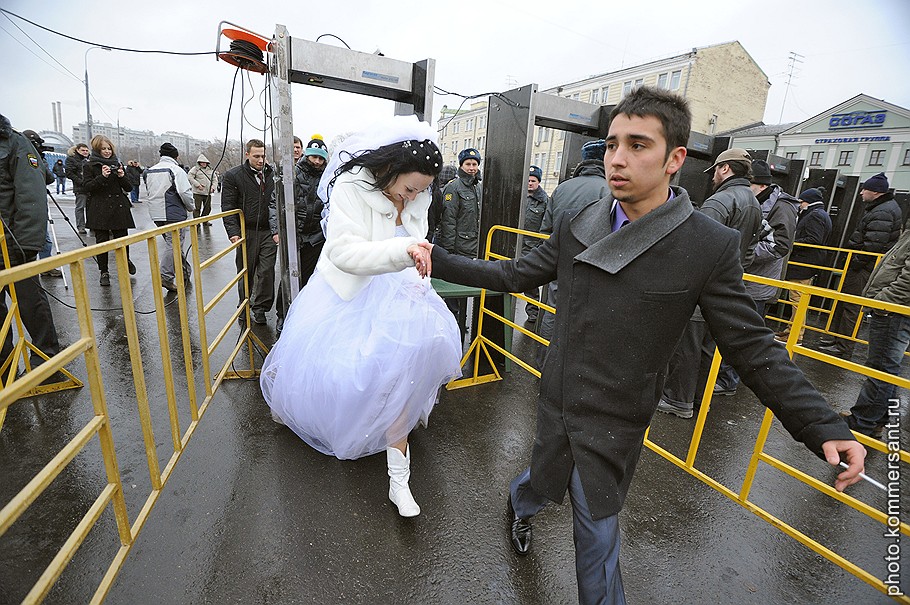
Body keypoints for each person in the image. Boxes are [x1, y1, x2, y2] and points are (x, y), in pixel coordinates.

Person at [415, 87, 864, 605]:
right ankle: (520, 504)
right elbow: (514, 273)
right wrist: (439, 259)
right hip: (560, 396)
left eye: (637, 145)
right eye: (611, 145)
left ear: (675, 159)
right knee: (541, 480)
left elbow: (753, 346)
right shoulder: (577, 224)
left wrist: (822, 423)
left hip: (618, 415)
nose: (618, 159)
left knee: (596, 533)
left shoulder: (707, 245)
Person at [260, 116, 462, 518]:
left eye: (421, 191)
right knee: (336, 372)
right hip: (349, 292)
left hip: (403, 295)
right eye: (408, 188)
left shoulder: (419, 196)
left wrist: (417, 268)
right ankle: (299, 408)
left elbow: (418, 240)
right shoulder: (352, 187)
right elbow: (342, 252)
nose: (412, 198)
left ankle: (398, 480)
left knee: (403, 375)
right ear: (391, 170)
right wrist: (401, 252)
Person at [657, 148, 761, 416]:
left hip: (700, 289)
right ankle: (698, 398)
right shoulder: (752, 201)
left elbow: (697, 247)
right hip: (724, 286)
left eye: (715, 169)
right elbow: (749, 249)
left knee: (687, 347)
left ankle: (678, 400)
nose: (713, 176)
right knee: (706, 348)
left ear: (725, 169)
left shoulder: (720, 201)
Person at [536, 139, 609, 357]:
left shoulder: (561, 188)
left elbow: (545, 229)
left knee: (552, 310)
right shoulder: (609, 190)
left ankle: (544, 359)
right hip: (592, 264)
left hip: (558, 260)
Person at [0, 114, 62, 368]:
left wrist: (25, 245)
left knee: (29, 300)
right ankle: (5, 361)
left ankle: (45, 356)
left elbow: (32, 195)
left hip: (11, 241)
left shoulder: (14, 143)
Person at [840, 221, 910, 437]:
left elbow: (907, 279)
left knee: (881, 367)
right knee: (887, 366)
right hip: (894, 309)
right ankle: (877, 418)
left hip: (893, 310)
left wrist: (882, 300)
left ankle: (864, 421)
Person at [819, 172, 901, 357]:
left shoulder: (883, 211)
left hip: (863, 268)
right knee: (845, 303)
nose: (861, 192)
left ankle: (843, 346)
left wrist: (855, 263)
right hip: (862, 266)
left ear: (876, 192)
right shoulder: (882, 209)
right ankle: (837, 338)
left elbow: (873, 245)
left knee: (851, 305)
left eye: (865, 189)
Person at [221, 139, 278, 326]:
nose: (261, 160)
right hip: (247, 231)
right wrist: (233, 232)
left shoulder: (272, 174)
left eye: (263, 156)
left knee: (267, 270)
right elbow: (228, 206)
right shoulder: (234, 176)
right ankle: (244, 304)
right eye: (256, 156)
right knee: (247, 270)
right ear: (247, 154)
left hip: (268, 230)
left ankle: (260, 308)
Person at [276, 135, 328, 335]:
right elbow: (276, 202)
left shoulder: (327, 178)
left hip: (316, 237)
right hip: (294, 234)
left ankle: (303, 316)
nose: (316, 161)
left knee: (311, 279)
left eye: (320, 158)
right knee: (288, 277)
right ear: (307, 155)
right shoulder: (293, 174)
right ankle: (282, 315)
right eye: (314, 156)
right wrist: (277, 230)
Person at [774, 188, 833, 344]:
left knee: (797, 300)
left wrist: (791, 244)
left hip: (804, 263)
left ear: (807, 201)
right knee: (798, 300)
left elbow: (814, 239)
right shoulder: (820, 214)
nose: (799, 205)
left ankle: (795, 335)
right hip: (808, 263)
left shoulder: (815, 215)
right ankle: (791, 330)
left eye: (800, 202)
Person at [438, 148, 483, 336]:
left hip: (474, 246)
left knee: (467, 291)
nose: (472, 168)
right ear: (461, 165)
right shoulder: (453, 187)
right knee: (454, 292)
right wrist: (448, 249)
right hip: (458, 247)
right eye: (468, 164)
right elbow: (449, 220)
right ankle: (453, 324)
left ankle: (461, 321)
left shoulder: (478, 187)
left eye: (475, 164)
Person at [83, 135, 136, 286]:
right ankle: (104, 271)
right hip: (99, 208)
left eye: (109, 148)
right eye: (103, 149)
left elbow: (128, 188)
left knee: (122, 239)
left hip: (118, 207)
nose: (107, 152)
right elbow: (87, 187)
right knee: (102, 242)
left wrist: (121, 176)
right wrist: (102, 177)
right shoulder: (89, 165)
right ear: (97, 150)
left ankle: (125, 261)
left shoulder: (117, 163)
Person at [142, 143, 194, 292]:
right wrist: (191, 207)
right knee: (174, 244)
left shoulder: (149, 171)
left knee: (174, 244)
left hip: (157, 214)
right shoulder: (176, 170)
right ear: (176, 156)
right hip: (174, 213)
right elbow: (184, 192)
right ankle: (166, 275)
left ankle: (184, 272)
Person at [521, 165, 548, 323]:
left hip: (532, 246)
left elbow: (546, 225)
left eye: (533, 180)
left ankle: (533, 312)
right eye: (528, 180)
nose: (530, 183)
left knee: (530, 281)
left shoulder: (544, 201)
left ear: (538, 182)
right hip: (517, 245)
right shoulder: (521, 196)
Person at [65, 142, 90, 234]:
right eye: (83, 150)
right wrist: (81, 181)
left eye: (86, 150)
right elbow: (69, 173)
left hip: (91, 187)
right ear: (77, 150)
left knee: (91, 208)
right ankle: (81, 226)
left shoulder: (89, 159)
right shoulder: (71, 159)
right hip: (80, 188)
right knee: (80, 207)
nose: (85, 152)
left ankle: (91, 225)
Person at [187, 154, 218, 226]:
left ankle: (204, 220)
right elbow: (190, 177)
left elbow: (215, 180)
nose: (203, 163)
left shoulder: (210, 170)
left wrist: (213, 187)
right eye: (202, 162)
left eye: (204, 162)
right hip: (197, 192)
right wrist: (197, 185)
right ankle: (197, 222)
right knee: (197, 208)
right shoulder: (195, 169)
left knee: (208, 208)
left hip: (207, 193)